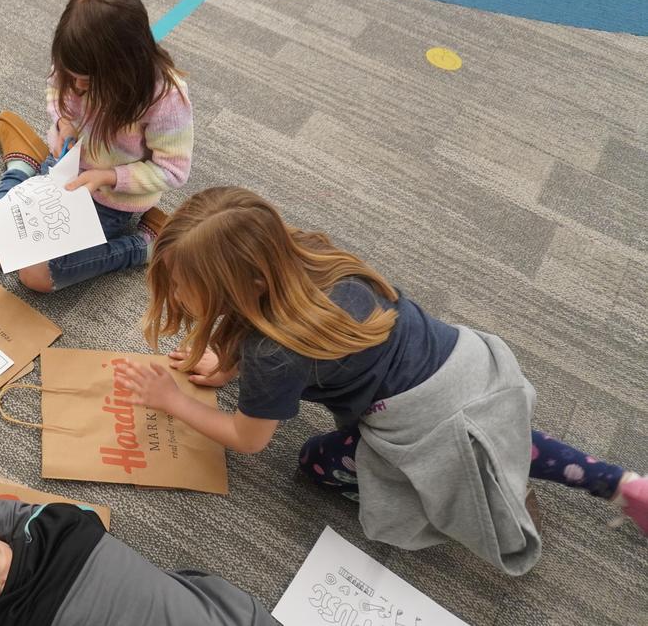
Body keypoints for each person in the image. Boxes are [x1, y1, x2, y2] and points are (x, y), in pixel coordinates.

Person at [115, 186, 648, 575]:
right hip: (468, 364)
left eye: (183, 286)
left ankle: (456, 484)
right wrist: (229, 364)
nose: (176, 297)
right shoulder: (310, 254)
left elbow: (248, 439)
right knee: (499, 431)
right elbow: (263, 325)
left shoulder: (273, 355)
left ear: (241, 284)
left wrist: (172, 401)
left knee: (313, 462)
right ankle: (619, 483)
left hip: (423, 419)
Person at [0, 0, 193, 292]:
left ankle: (145, 246)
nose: (77, 87)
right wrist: (62, 122)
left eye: (88, 82)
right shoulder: (77, 59)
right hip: (62, 172)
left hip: (112, 199)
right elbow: (56, 91)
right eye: (72, 76)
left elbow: (173, 170)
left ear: (123, 68)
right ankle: (20, 165)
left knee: (36, 276)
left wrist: (108, 177)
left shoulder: (165, 98)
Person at [0, 500, 277, 625]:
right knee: (189, 588)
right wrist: (0, 517)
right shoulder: (60, 526)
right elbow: (90, 515)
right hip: (236, 621)